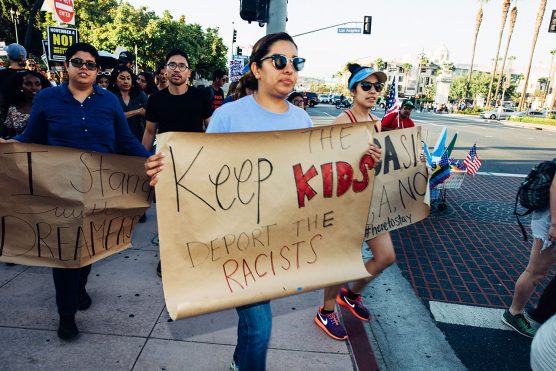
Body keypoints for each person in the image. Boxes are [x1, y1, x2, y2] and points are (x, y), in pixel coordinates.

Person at [145, 31, 315, 371]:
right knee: (260, 324)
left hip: (280, 239)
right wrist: (163, 170)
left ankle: (240, 361)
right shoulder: (230, 116)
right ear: (256, 68)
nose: (289, 69)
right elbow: (202, 171)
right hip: (238, 240)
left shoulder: (302, 120)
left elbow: (312, 178)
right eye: (279, 61)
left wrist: (358, 160)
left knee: (253, 327)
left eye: (295, 62)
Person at [0, 42, 150, 341]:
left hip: (100, 189)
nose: (84, 68)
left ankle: (80, 286)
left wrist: (151, 160)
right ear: (67, 66)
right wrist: (9, 148)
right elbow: (32, 138)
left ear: (97, 70)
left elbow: (124, 141)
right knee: (65, 254)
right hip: (59, 190)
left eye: (90, 64)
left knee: (91, 245)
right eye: (78, 62)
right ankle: (66, 315)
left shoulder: (108, 102)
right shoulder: (47, 98)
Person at [315, 63, 389, 341]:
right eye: (366, 86)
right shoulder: (343, 122)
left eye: (377, 86)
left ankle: (352, 294)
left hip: (370, 201)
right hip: (346, 203)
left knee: (385, 257)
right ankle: (326, 310)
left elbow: (377, 165)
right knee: (342, 261)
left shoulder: (377, 122)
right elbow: (325, 165)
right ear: (353, 90)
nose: (373, 91)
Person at [142, 48, 212, 277]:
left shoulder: (200, 97)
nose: (177, 69)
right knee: (168, 215)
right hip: (165, 166)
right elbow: (150, 132)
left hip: (196, 166)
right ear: (164, 70)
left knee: (193, 213)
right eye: (172, 65)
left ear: (189, 72)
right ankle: (168, 258)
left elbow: (210, 128)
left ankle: (192, 254)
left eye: (182, 66)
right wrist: (143, 163)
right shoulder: (155, 99)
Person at [502, 173, 556, 338]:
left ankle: (542, 312)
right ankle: (514, 313)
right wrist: (554, 224)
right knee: (535, 272)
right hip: (550, 221)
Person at [2, 70, 51, 138]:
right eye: (28, 84)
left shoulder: (51, 106)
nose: (34, 88)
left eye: (37, 84)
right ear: (20, 87)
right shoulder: (13, 109)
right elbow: (9, 134)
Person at [109, 65, 148, 142]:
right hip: (117, 140)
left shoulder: (140, 95)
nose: (126, 81)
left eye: (128, 78)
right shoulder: (111, 96)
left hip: (139, 139)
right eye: (122, 78)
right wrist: (137, 111)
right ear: (115, 80)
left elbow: (151, 115)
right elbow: (112, 117)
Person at [0, 43, 27, 133]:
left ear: (9, 57)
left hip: (6, 118)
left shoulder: (2, 74)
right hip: (28, 118)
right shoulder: (32, 75)